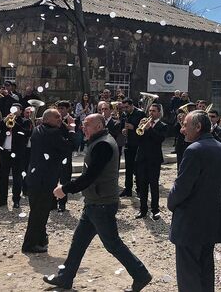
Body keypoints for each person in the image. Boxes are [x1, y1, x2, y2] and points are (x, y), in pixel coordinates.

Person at [45, 114, 152, 291]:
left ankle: (141, 275)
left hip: (102, 204)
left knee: (113, 244)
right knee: (78, 242)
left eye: (87, 125)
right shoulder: (100, 141)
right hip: (94, 202)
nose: (83, 128)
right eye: (83, 124)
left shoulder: (103, 145)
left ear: (99, 126)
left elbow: (89, 176)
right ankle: (65, 278)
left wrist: (65, 189)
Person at [168, 110, 221, 292]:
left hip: (190, 223)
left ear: (198, 127)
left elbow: (182, 187)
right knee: (205, 270)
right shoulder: (220, 147)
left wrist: (171, 202)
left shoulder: (194, 150)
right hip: (211, 220)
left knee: (188, 274)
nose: (182, 130)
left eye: (185, 125)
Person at [22, 109, 74, 253]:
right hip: (44, 179)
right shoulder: (53, 133)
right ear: (47, 119)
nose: (60, 119)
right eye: (57, 117)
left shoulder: (39, 129)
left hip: (35, 177)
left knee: (39, 210)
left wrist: (62, 124)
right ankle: (29, 245)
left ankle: (40, 239)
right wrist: (71, 129)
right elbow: (70, 146)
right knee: (39, 213)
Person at [0, 105, 30, 209]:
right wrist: (4, 120)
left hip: (17, 153)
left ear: (21, 111)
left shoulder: (25, 121)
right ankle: (2, 200)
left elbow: (26, 133)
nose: (14, 111)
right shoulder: (5, 120)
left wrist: (15, 123)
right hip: (4, 152)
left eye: (16, 109)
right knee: (3, 177)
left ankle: (16, 200)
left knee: (17, 178)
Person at [135, 103, 167, 220]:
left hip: (154, 160)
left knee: (154, 186)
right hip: (142, 158)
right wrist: (140, 127)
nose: (151, 113)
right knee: (142, 186)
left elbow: (159, 139)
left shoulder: (162, 125)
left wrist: (149, 129)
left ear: (159, 112)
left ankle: (155, 210)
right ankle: (143, 210)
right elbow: (138, 139)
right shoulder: (144, 124)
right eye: (150, 111)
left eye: (153, 111)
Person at [119, 98, 145, 197]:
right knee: (128, 168)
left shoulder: (140, 113)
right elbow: (122, 125)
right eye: (124, 107)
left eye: (127, 107)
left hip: (137, 144)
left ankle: (139, 189)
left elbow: (143, 128)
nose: (125, 109)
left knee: (138, 168)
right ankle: (128, 189)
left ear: (132, 105)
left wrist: (133, 127)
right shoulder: (125, 114)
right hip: (128, 143)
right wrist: (123, 130)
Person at [56, 101, 76, 212]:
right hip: (54, 154)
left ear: (67, 109)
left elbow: (74, 141)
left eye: (62, 108)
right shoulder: (55, 119)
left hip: (65, 155)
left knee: (64, 180)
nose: (60, 110)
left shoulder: (72, 120)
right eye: (58, 108)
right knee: (53, 179)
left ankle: (62, 203)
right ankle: (52, 202)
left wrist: (70, 129)